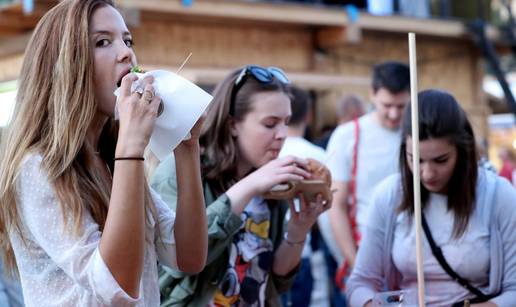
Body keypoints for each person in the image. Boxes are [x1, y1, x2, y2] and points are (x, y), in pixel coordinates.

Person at [0, 1, 207, 306]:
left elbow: (188, 256)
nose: (126, 53)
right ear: (64, 65)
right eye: (102, 42)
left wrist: (187, 148)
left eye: (127, 40)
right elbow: (116, 287)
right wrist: (131, 148)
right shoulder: (36, 167)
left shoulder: (111, 158)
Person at [151, 65, 330, 306]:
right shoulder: (181, 171)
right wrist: (248, 187)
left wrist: (298, 230)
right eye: (270, 124)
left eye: (286, 122)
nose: (283, 134)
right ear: (233, 124)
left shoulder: (272, 181)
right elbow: (179, 264)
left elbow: (274, 281)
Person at [347, 89, 516, 307]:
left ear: (462, 150)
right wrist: (371, 304)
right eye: (415, 159)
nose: (426, 173)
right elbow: (359, 283)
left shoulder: (499, 195)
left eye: (441, 160)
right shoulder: (389, 195)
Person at [326, 61, 410, 274]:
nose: (393, 114)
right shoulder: (347, 135)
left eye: (401, 106)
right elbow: (336, 205)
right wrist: (354, 264)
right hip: (368, 251)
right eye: (387, 105)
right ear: (372, 94)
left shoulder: (420, 133)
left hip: (415, 253)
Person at [278, 86, 329, 307]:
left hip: (267, 252)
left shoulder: (267, 153)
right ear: (308, 116)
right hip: (303, 252)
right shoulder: (319, 156)